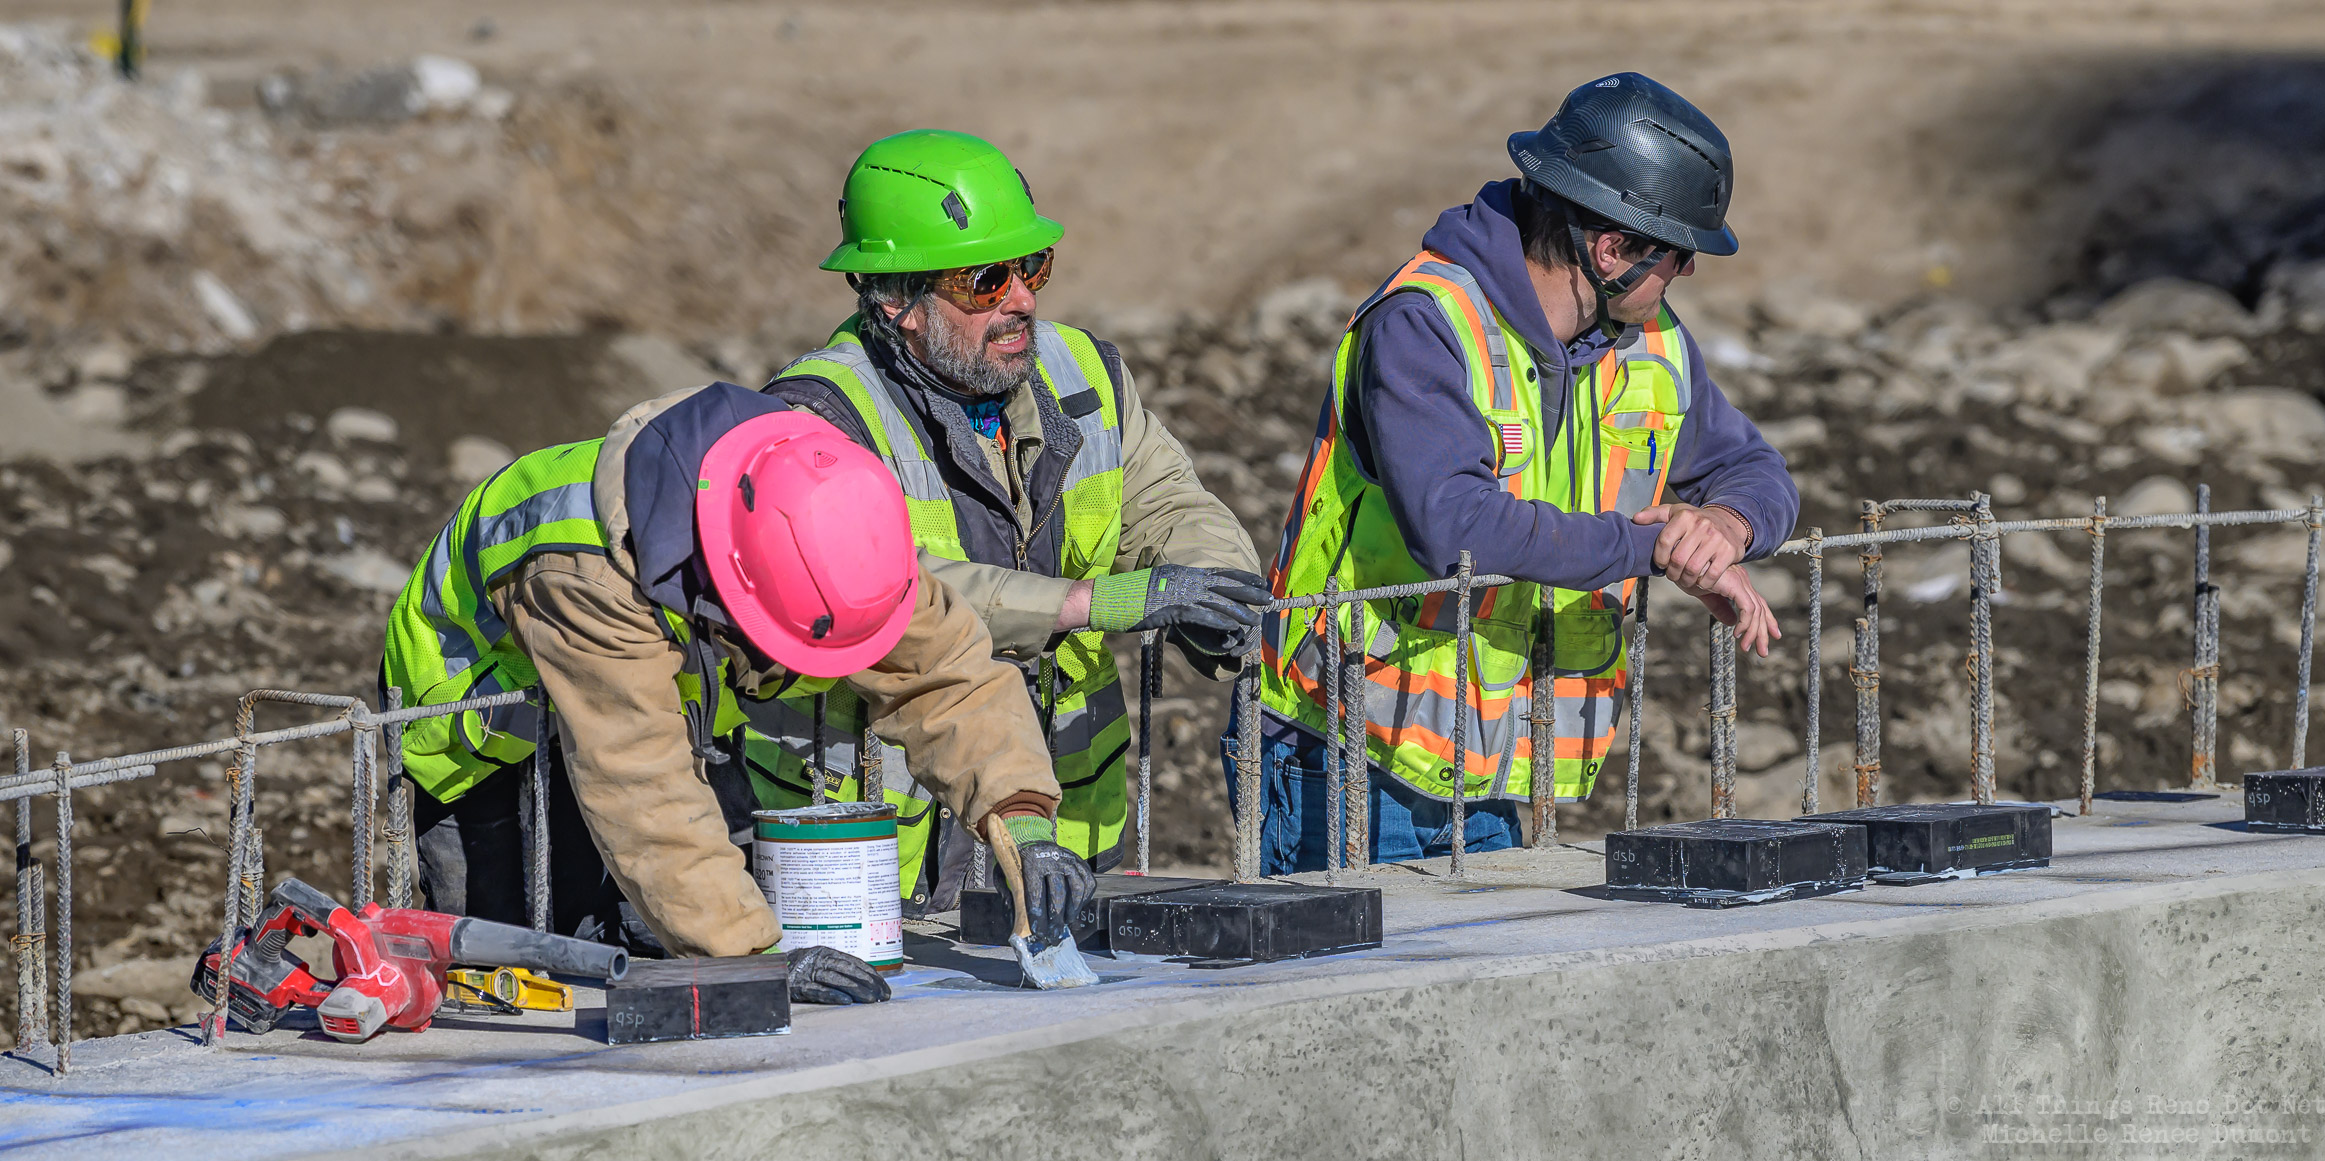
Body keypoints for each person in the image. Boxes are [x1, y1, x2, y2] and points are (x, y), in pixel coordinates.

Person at [1241, 73, 1799, 873]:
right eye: (1678, 255)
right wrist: (1654, 548)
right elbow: (1454, 526)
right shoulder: (1426, 323)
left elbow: (1753, 466)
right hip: (1342, 751)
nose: (1682, 276)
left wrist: (1722, 527)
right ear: (1613, 250)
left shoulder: (1651, 343)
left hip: (1487, 763)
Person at [383, 383, 1094, 1004]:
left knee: (669, 921)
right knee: (520, 972)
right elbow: (641, 782)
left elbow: (943, 667)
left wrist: (1021, 819)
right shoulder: (587, 572)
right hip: (488, 735)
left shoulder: (808, 504)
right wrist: (751, 957)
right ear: (732, 590)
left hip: (666, 699)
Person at [763, 129, 1266, 901]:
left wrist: (1213, 586)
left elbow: (1167, 498)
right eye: (985, 281)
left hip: (1067, 829)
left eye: (1031, 267)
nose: (1022, 300)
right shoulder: (818, 421)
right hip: (884, 850)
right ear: (896, 299)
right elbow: (885, 594)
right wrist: (1095, 603)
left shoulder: (1082, 373)